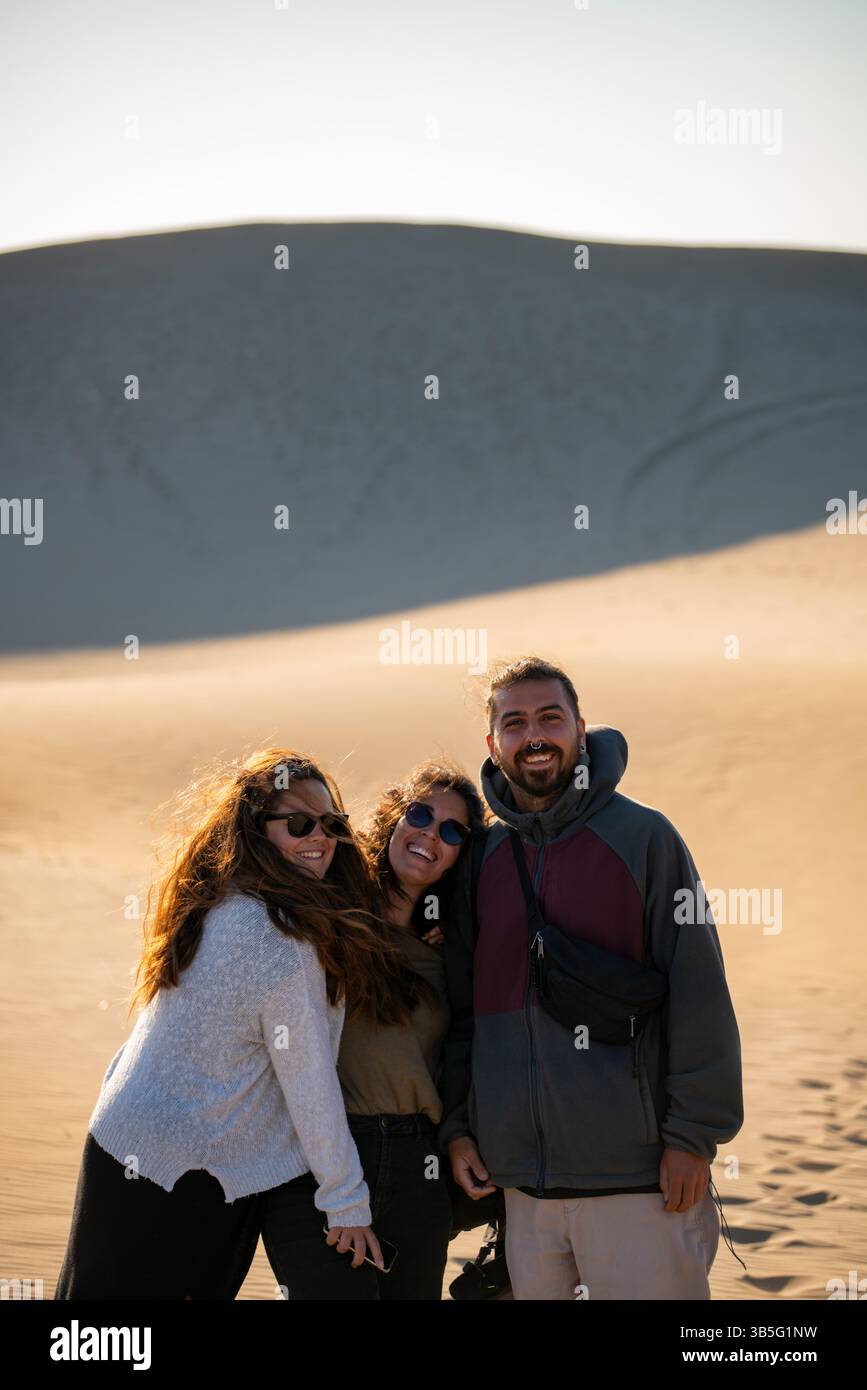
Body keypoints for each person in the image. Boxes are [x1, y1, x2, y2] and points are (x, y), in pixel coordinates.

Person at [440, 657, 744, 1301]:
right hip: (523, 1189)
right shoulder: (483, 857)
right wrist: (461, 1126)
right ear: (493, 744)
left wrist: (693, 1138)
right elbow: (466, 1010)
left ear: (581, 728)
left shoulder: (644, 838)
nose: (535, 735)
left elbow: (700, 992)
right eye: (514, 722)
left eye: (551, 717)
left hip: (638, 1181)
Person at [55, 749, 388, 1300]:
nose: (321, 837)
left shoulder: (217, 900)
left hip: (120, 1144)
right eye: (299, 823)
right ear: (256, 832)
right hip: (181, 1178)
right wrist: (346, 1203)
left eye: (332, 824)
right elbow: (310, 1087)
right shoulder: (280, 943)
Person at [342, 763, 486, 1298]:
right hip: (335, 1154)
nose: (430, 833)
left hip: (419, 1160)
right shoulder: (331, 919)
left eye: (452, 831)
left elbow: (463, 1051)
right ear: (394, 817)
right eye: (421, 814)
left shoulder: (451, 952)